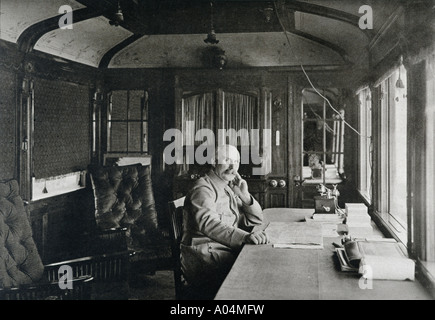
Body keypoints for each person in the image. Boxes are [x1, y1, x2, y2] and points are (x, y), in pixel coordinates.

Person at [180, 144, 269, 298]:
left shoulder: (227, 187)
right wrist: (244, 237)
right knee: (257, 272)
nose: (232, 167)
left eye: (236, 161)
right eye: (227, 160)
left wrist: (245, 196)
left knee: (261, 264)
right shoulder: (203, 188)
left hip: (222, 250)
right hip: (204, 255)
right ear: (214, 162)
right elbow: (208, 223)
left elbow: (256, 219)